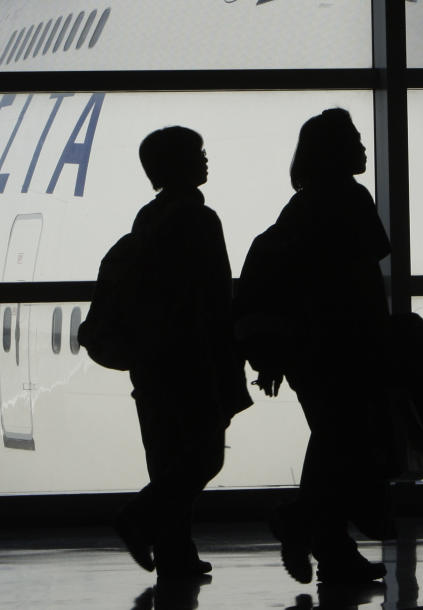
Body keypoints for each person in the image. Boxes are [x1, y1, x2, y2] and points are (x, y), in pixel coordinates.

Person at [235, 108, 393, 584]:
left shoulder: (299, 207)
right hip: (347, 348)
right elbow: (367, 268)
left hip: (309, 351)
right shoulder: (351, 199)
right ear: (336, 151)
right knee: (343, 444)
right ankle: (306, 523)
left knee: (331, 441)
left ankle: (328, 542)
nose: (364, 149)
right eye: (356, 141)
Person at [115, 126, 252, 578]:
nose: (206, 159)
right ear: (176, 165)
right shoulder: (198, 220)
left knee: (169, 456)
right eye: (197, 153)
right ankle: (141, 517)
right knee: (204, 455)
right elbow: (213, 299)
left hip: (153, 362)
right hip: (192, 360)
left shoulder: (148, 217)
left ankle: (175, 552)